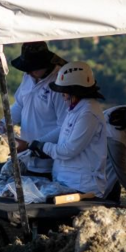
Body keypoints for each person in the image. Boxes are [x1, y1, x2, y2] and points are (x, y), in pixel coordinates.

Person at [16, 62, 107, 197]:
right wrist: (35, 145)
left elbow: (69, 150)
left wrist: (42, 146)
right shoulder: (76, 108)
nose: (62, 96)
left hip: (82, 186)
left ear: (74, 91)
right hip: (67, 182)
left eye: (64, 92)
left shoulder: (88, 114)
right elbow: (62, 134)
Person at [0, 41, 66, 177]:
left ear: (46, 64)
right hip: (26, 157)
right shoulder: (28, 76)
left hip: (49, 162)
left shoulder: (59, 85)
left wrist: (33, 145)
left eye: (34, 68)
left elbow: (64, 127)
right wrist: (5, 124)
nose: (29, 73)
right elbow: (20, 104)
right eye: (27, 69)